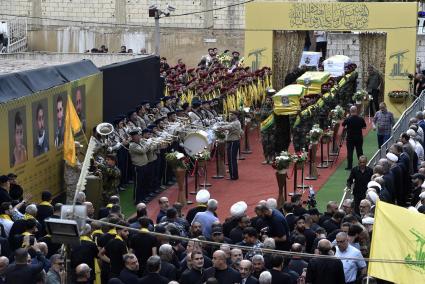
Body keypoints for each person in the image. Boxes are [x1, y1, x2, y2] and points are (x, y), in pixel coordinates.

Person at [219, 111, 242, 180]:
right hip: (233, 142)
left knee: (232, 159)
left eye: (232, 115)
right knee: (231, 159)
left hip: (233, 142)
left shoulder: (235, 123)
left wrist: (220, 127)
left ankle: (233, 176)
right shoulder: (235, 122)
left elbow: (228, 126)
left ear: (235, 116)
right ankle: (233, 175)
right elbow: (228, 124)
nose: (230, 116)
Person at [342, 106, 366, 170]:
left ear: (350, 111)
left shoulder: (348, 119)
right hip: (358, 137)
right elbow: (364, 127)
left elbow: (343, 125)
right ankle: (362, 165)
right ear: (356, 111)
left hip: (350, 138)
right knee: (360, 152)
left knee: (350, 152)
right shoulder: (360, 119)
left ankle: (349, 166)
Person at [259, 92, 275, 164]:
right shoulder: (263, 107)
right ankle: (266, 158)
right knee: (265, 143)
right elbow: (262, 116)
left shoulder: (274, 108)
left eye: (269, 100)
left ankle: (271, 157)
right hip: (265, 128)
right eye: (267, 100)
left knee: (272, 143)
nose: (268, 101)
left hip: (272, 129)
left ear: (271, 101)